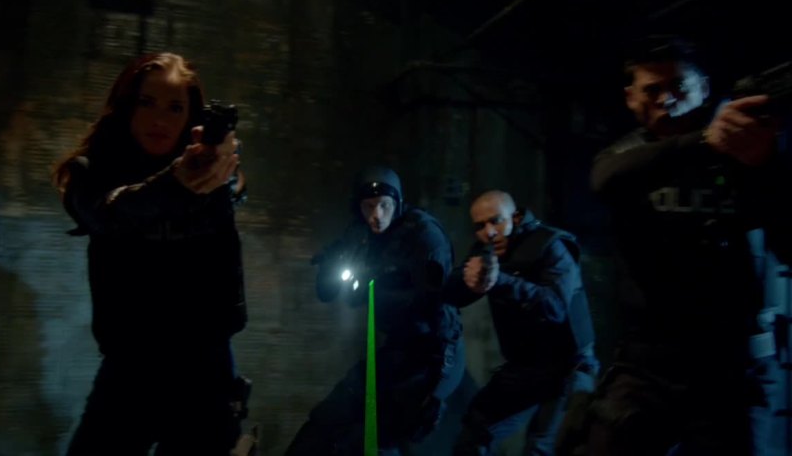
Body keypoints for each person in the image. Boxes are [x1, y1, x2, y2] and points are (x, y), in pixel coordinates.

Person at [580, 35, 792, 456]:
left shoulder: (749, 157)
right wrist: (703, 142)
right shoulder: (628, 156)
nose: (666, 99)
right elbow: (606, 179)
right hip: (647, 365)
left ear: (704, 89)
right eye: (652, 90)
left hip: (733, 364)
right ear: (631, 98)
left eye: (679, 86)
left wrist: (765, 167)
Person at [52, 52, 248, 456]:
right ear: (127, 106)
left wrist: (222, 169)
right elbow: (110, 214)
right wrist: (178, 182)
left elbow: (231, 205)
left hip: (205, 370)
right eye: (147, 102)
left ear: (190, 117)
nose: (160, 119)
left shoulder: (209, 176)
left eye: (175, 108)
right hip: (131, 371)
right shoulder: (92, 172)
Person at [284, 165, 465, 455]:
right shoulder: (361, 233)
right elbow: (329, 290)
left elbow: (438, 308)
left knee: (377, 438)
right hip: (397, 347)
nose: (377, 215)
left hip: (430, 353)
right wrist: (331, 266)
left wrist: (436, 387)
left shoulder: (423, 235)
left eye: (384, 205)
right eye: (368, 206)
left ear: (398, 203)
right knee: (326, 420)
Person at [445, 190, 599, 455]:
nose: (489, 232)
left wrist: (500, 281)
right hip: (525, 367)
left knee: (541, 447)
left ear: (514, 218)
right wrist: (467, 280)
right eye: (480, 226)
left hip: (568, 368)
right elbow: (454, 292)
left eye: (496, 221)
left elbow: (555, 307)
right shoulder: (485, 252)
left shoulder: (550, 246)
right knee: (474, 433)